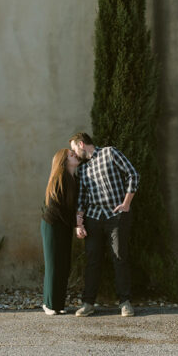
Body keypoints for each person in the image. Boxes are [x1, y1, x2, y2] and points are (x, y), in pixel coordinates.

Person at [69, 132, 139, 317]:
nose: (74, 153)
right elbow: (82, 199)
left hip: (115, 215)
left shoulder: (110, 153)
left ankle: (125, 302)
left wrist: (126, 204)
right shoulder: (83, 170)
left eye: (74, 148)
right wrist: (79, 223)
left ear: (82, 144)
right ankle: (88, 303)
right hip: (93, 217)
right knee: (92, 261)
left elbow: (132, 174)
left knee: (119, 257)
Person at [41, 147, 80, 315]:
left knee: (64, 264)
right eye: (72, 154)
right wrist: (75, 223)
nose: (75, 155)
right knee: (54, 264)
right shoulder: (60, 177)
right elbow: (56, 208)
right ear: (64, 160)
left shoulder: (74, 178)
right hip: (52, 225)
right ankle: (48, 304)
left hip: (64, 225)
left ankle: (58, 304)